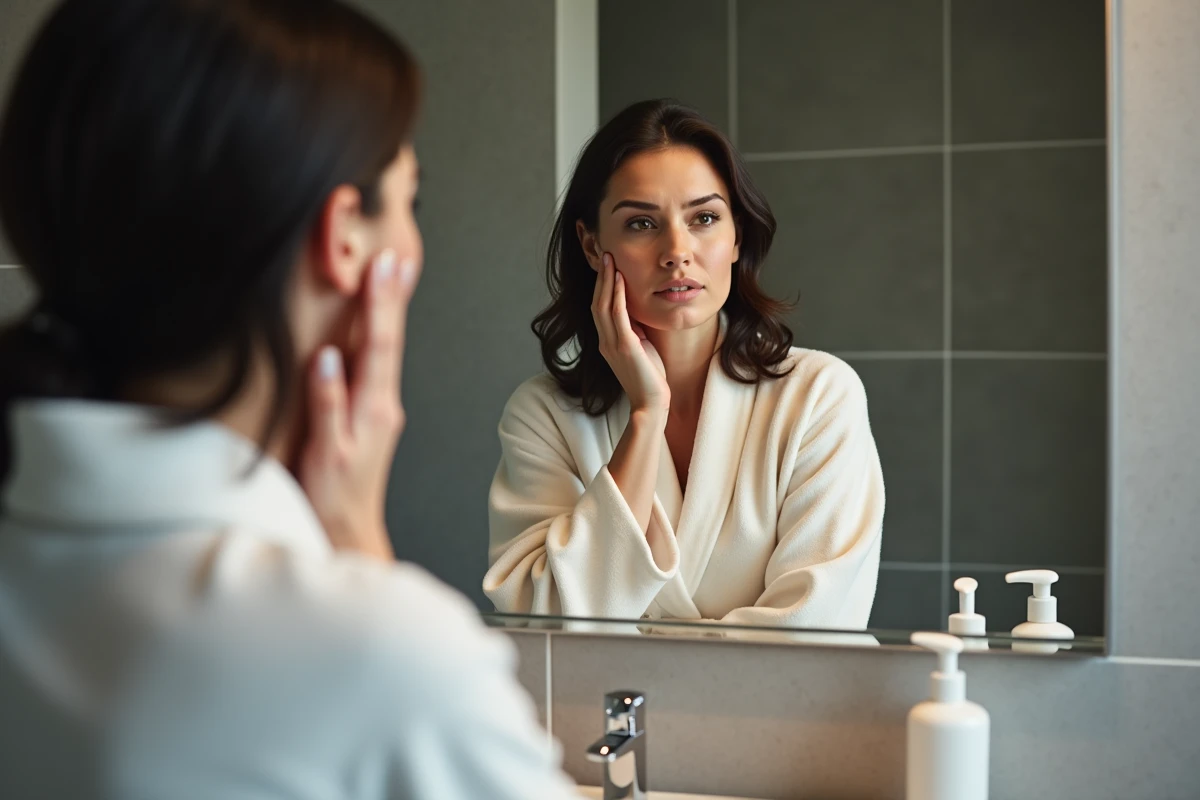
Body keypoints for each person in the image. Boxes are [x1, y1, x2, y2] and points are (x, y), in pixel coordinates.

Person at [0, 1, 577, 797]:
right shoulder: (385, 658)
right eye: (409, 199)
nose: (413, 239)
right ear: (344, 239)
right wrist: (360, 553)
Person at [485, 100, 885, 628]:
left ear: (736, 234)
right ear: (590, 244)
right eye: (642, 223)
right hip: (598, 712)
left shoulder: (818, 397)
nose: (677, 251)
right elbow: (546, 621)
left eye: (704, 218)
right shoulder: (544, 416)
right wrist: (646, 416)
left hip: (776, 712)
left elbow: (813, 631)